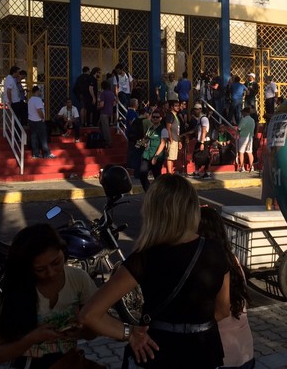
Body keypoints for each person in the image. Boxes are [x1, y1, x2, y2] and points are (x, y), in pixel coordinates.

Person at [79, 174, 230, 369]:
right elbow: (223, 309)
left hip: (157, 352)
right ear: (192, 208)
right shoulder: (216, 250)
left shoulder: (145, 257)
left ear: (153, 211)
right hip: (205, 352)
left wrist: (129, 333)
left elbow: (89, 315)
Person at [0, 223, 101, 369]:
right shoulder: (19, 291)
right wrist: (32, 339)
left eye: (56, 262)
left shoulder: (79, 279)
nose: (51, 273)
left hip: (70, 362)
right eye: (40, 269)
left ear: (63, 251)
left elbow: (92, 334)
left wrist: (82, 328)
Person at [198, 207, 254, 369]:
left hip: (222, 356)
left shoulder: (206, 263)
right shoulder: (232, 258)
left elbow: (219, 312)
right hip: (245, 351)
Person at [138, 110, 168, 191]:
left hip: (156, 156)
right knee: (142, 173)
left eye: (157, 117)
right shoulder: (150, 128)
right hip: (147, 155)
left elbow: (163, 143)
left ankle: (161, 193)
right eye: (153, 117)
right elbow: (146, 138)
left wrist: (156, 156)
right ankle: (148, 191)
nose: (155, 118)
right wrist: (141, 143)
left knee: (157, 177)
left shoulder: (163, 130)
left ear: (160, 118)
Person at [28, 86, 56, 159]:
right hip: (38, 121)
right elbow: (39, 110)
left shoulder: (30, 100)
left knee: (34, 138)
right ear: (37, 91)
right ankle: (47, 153)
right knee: (43, 137)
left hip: (31, 120)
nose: (40, 93)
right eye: (40, 91)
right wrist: (43, 118)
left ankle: (36, 154)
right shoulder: (38, 100)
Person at [190, 103, 212, 179]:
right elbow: (195, 130)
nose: (195, 111)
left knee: (206, 157)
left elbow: (204, 131)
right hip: (200, 140)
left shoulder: (204, 119)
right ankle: (196, 172)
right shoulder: (199, 119)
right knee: (196, 156)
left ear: (200, 109)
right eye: (194, 109)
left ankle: (208, 173)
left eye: (197, 109)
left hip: (204, 141)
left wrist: (202, 143)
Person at [164, 100, 182, 175]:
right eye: (175, 106)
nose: (177, 107)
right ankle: (170, 173)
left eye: (178, 105)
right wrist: (170, 138)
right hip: (172, 139)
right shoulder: (170, 115)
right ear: (171, 107)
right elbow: (168, 127)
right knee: (170, 157)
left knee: (173, 157)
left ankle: (170, 172)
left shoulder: (176, 116)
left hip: (176, 138)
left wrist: (179, 140)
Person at [98, 80, 117, 148]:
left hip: (104, 112)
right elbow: (114, 103)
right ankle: (103, 140)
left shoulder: (103, 93)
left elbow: (102, 105)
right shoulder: (111, 93)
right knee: (102, 126)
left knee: (105, 128)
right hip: (110, 112)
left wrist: (98, 107)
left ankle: (108, 142)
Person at [236, 108, 255, 173]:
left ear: (245, 112)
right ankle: (252, 167)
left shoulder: (243, 120)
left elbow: (239, 128)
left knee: (241, 152)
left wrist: (237, 133)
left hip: (243, 137)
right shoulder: (252, 120)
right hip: (250, 138)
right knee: (250, 152)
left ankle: (242, 167)